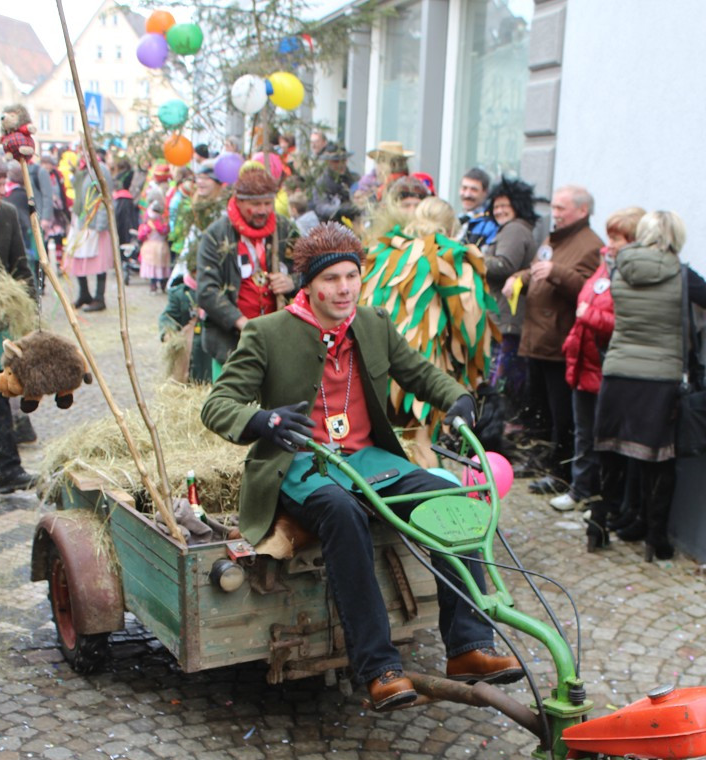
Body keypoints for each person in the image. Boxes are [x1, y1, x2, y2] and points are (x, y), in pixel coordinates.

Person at [201, 222, 522, 709]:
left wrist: (457, 398)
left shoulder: (372, 324)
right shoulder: (269, 334)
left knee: (451, 496)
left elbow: (419, 373)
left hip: (371, 462)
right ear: (308, 285)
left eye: (351, 275)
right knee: (343, 513)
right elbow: (218, 404)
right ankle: (379, 668)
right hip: (300, 467)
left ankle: (469, 646)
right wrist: (263, 419)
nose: (344, 288)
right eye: (331, 279)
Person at [592, 211, 706, 561]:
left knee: (609, 453)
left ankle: (597, 528)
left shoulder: (619, 266)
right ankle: (657, 541)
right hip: (660, 377)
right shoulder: (683, 275)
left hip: (618, 372)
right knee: (659, 460)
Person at [361, 196, 497, 462]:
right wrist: (471, 366)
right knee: (421, 438)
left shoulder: (383, 251)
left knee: (376, 436)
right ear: (449, 230)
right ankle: (425, 501)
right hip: (421, 361)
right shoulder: (452, 257)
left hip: (373, 358)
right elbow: (470, 323)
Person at [504, 185, 602, 494]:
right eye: (555, 208)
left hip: (560, 344)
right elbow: (536, 270)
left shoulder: (590, 245)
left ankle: (560, 474)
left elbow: (588, 289)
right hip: (537, 338)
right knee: (540, 410)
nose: (555, 213)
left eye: (561, 208)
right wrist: (518, 277)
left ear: (582, 211)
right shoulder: (553, 238)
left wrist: (557, 271)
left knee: (563, 417)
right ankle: (538, 461)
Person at [551, 206, 645, 519]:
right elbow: (587, 297)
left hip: (607, 366)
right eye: (611, 236)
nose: (611, 243)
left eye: (617, 237)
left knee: (605, 438)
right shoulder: (605, 264)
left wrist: (588, 316)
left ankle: (602, 501)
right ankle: (580, 490)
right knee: (584, 433)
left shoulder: (633, 272)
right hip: (583, 359)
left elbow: (623, 320)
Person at [196, 163, 299, 381]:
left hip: (278, 340)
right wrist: (243, 323)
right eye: (255, 204)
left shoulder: (285, 229)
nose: (262, 210)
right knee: (231, 406)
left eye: (267, 203)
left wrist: (292, 282)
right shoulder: (216, 235)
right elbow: (206, 291)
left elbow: (310, 271)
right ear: (239, 201)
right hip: (229, 344)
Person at [0, 153, 36, 494]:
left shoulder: (7, 216)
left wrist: (29, 310)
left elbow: (21, 266)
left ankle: (7, 471)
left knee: (1, 395)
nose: (4, 190)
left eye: (5, 183)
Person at [482, 177, 538, 425]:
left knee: (501, 384)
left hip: (506, 320)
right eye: (496, 205)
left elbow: (504, 265)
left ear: (518, 205)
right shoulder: (516, 228)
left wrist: (470, 257)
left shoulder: (514, 229)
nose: (499, 210)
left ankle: (500, 432)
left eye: (505, 205)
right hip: (505, 318)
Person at [63, 150, 114, 312]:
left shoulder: (101, 169)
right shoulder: (83, 170)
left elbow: (104, 196)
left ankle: (100, 298)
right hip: (81, 221)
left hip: (94, 223)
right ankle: (84, 293)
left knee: (99, 261)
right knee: (77, 258)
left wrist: (101, 223)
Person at [312, 146, 359, 221]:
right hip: (332, 225)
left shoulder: (354, 178)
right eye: (336, 161)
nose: (341, 165)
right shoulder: (322, 183)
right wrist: (339, 209)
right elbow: (321, 207)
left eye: (343, 160)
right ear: (328, 162)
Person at [456, 168, 498, 248]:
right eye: (464, 188)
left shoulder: (490, 225)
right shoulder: (457, 219)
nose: (467, 194)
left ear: (485, 193)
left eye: (474, 190)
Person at [138, 200, 170, 292]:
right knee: (162, 266)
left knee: (152, 267)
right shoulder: (164, 224)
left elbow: (141, 235)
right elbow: (167, 233)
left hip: (150, 247)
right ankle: (163, 283)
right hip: (162, 247)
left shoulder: (147, 224)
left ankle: (153, 285)